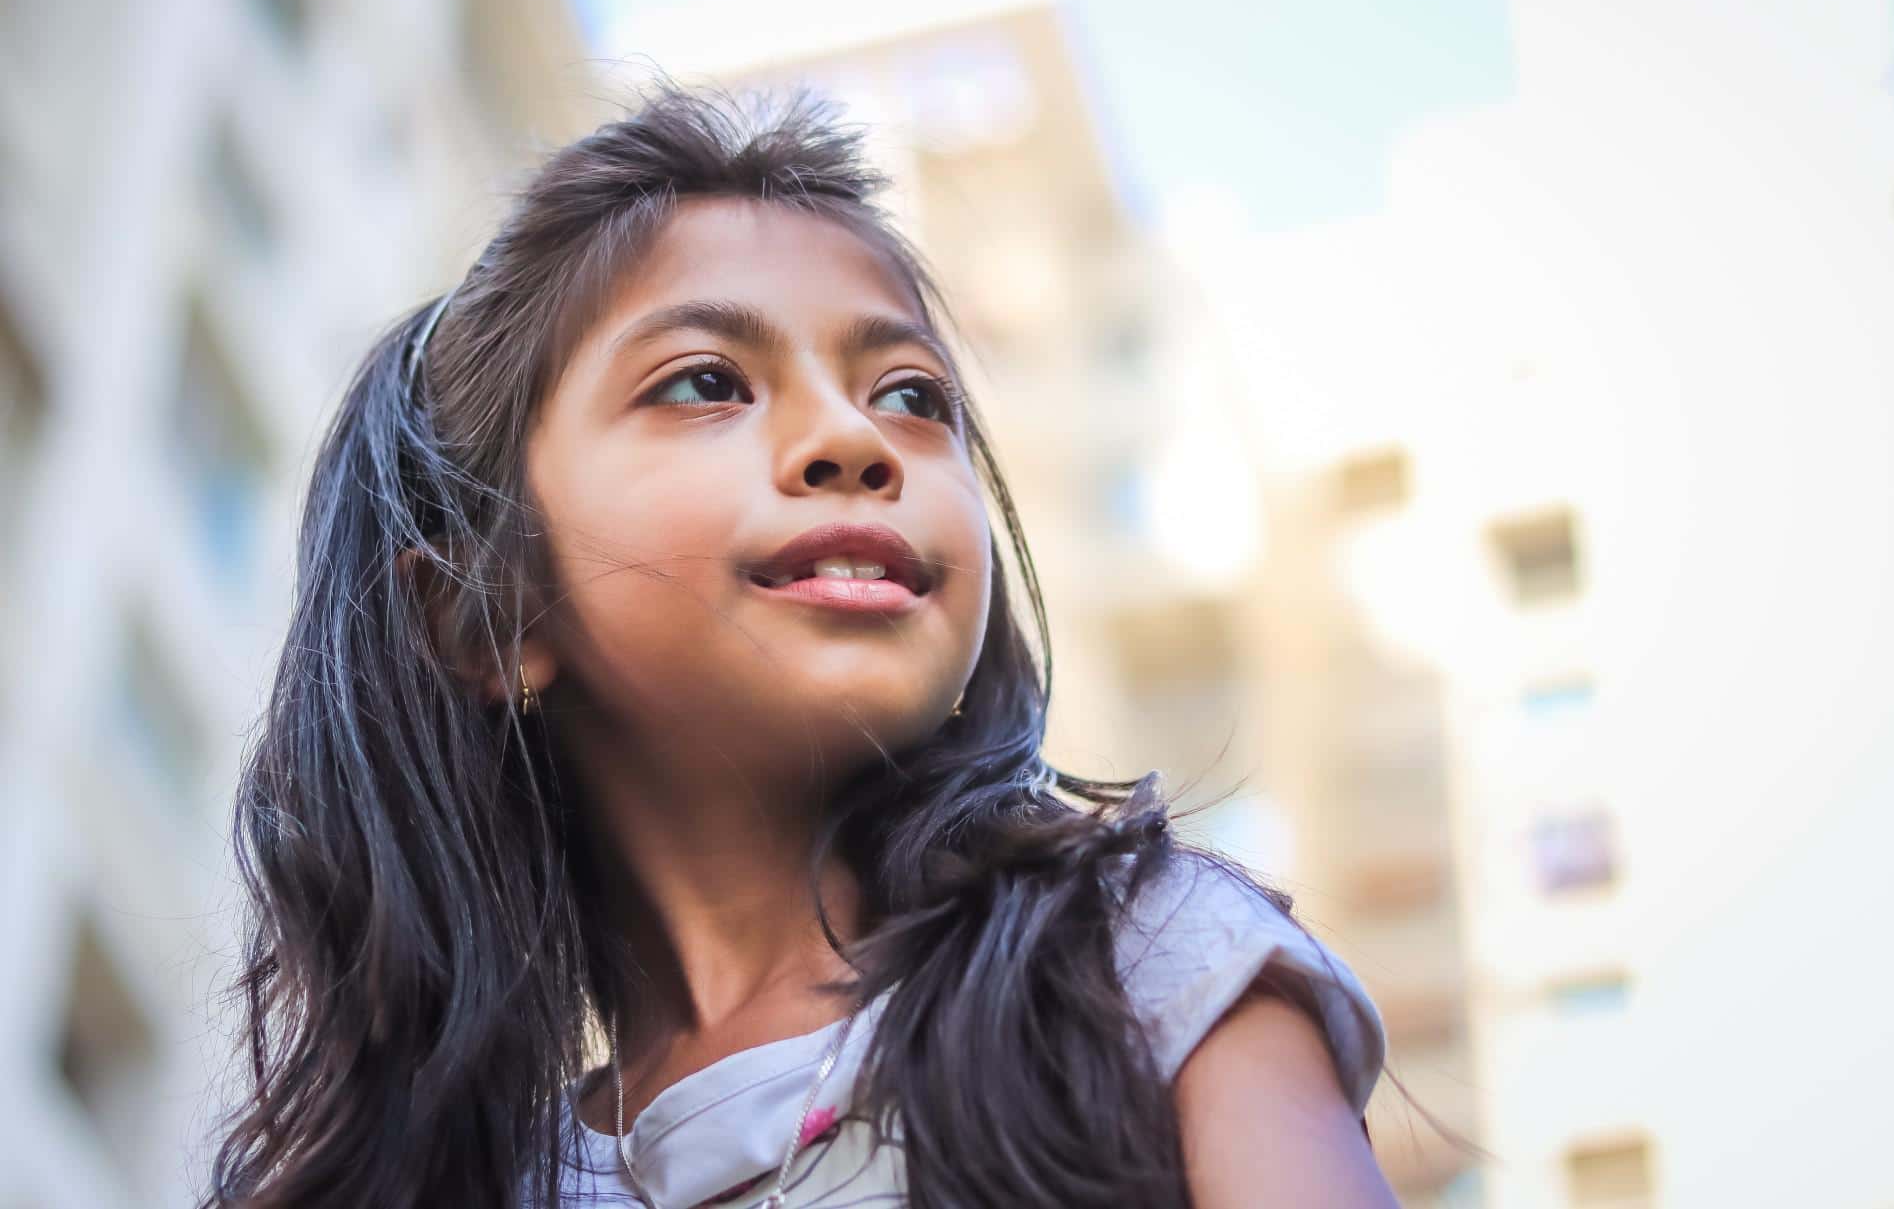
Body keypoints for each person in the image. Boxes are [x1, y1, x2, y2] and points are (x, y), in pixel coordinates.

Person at [204, 81, 1401, 1208]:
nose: (854, 438)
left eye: (913, 397)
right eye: (706, 381)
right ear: (483, 613)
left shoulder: (1141, 965)